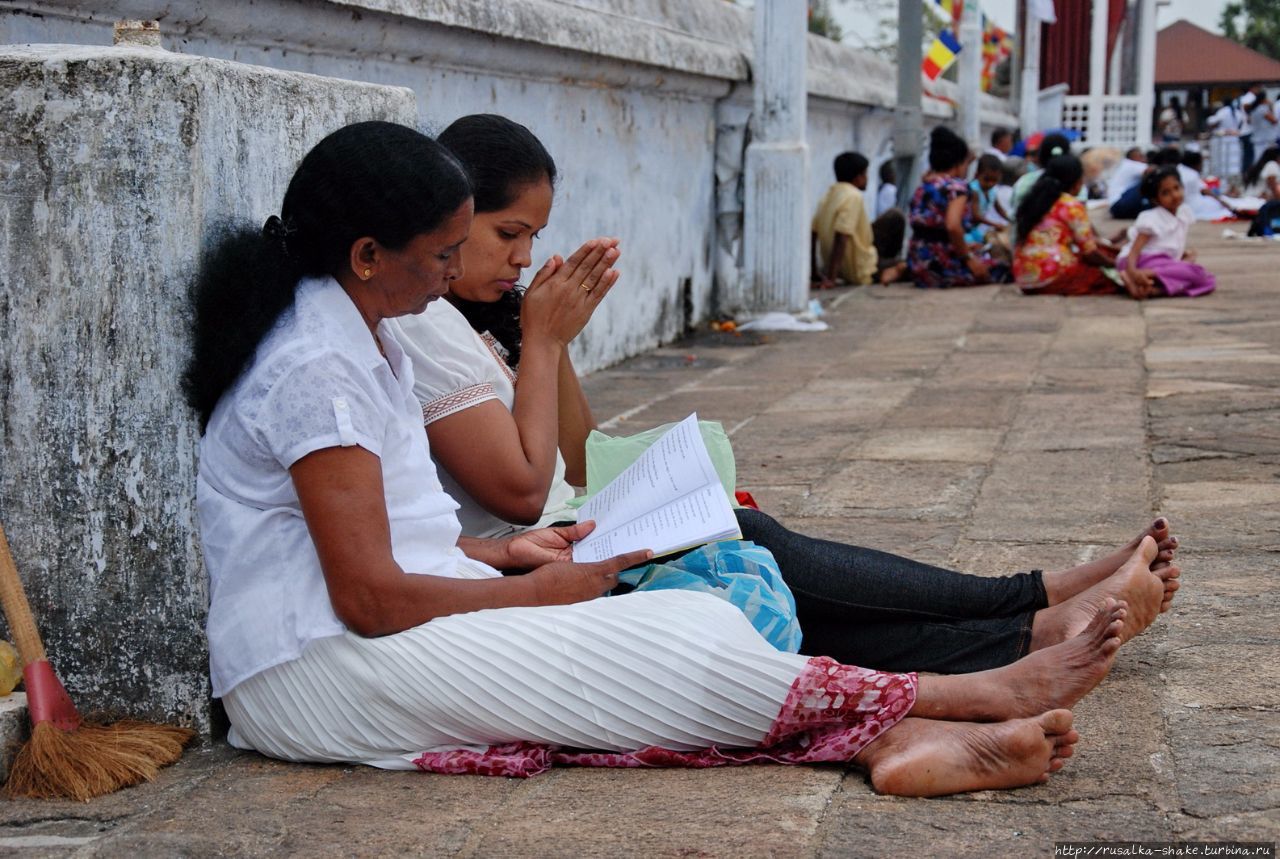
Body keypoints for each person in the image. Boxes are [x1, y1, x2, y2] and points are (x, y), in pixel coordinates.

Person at [184, 119, 1145, 796]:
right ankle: (967, 694)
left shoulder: (364, 332)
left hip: (370, 631)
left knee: (687, 625)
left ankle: (899, 732)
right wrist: (527, 593)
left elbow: (392, 537)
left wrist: (504, 556)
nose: (452, 276)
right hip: (313, 670)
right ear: (364, 254)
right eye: (443, 256)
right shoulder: (318, 364)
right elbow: (364, 594)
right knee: (668, 642)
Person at [392, 114, 1178, 678]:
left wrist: (544, 343)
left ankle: (1030, 617)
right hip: (522, 558)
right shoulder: (423, 325)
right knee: (758, 546)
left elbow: (578, 456)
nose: (524, 257)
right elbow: (526, 495)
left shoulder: (481, 319)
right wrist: (549, 341)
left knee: (767, 557)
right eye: (506, 235)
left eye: (534, 236)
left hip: (569, 527)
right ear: (449, 223)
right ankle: (1030, 609)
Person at [907, 126, 1011, 288]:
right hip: (941, 265)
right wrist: (968, 259)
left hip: (917, 261)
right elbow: (953, 226)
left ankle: (901, 269)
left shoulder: (924, 185)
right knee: (1002, 268)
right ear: (958, 163)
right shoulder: (956, 188)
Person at [1013, 154, 1125, 297]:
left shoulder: (1035, 201)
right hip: (1051, 276)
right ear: (1077, 181)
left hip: (1024, 278)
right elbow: (1090, 252)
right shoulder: (1071, 205)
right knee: (1107, 279)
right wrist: (1114, 264)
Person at [1115, 166, 1216, 299]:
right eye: (1166, 193)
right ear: (1155, 200)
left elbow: (1171, 243)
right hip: (1137, 261)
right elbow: (1135, 250)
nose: (1174, 195)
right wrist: (1132, 271)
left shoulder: (1183, 212)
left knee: (1206, 281)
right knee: (1198, 273)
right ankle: (1139, 276)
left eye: (1176, 188)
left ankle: (1151, 290)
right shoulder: (1152, 218)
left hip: (1161, 264)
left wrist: (1181, 259)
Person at [811, 152, 908, 288]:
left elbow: (813, 235)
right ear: (858, 177)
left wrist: (814, 272)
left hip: (844, 264)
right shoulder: (853, 196)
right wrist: (831, 279)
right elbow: (841, 236)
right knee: (910, 266)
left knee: (894, 217)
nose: (867, 178)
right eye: (866, 174)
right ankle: (886, 269)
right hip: (861, 270)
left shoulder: (827, 196)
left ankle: (888, 263)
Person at [1177, 150, 1235, 222]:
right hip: (1194, 206)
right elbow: (1206, 191)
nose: (1202, 166)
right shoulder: (1193, 174)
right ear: (1195, 164)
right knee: (1217, 205)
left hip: (1182, 206)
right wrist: (1222, 202)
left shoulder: (1179, 169)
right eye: (1201, 163)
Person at [1243, 146, 1280, 236]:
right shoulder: (1272, 165)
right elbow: (1274, 188)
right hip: (1258, 201)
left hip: (1251, 198)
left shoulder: (1264, 165)